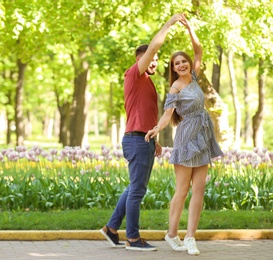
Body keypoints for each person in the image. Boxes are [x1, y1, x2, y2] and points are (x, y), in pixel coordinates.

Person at [100, 13, 185, 251]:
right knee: (137, 190)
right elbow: (155, 45)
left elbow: (145, 114)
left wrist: (155, 138)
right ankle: (134, 239)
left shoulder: (148, 82)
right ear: (141, 59)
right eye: (151, 58)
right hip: (135, 140)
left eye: (157, 59)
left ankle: (111, 229)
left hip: (144, 139)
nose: (155, 61)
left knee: (134, 188)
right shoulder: (135, 74)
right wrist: (168, 24)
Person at [145, 15, 223, 255]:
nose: (180, 65)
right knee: (182, 189)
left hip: (203, 135)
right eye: (176, 64)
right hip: (186, 138)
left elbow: (198, 50)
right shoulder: (175, 87)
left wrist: (191, 29)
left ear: (188, 64)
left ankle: (190, 237)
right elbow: (168, 115)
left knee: (199, 188)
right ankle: (171, 234)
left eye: (183, 62)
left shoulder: (195, 77)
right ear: (173, 68)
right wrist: (157, 128)